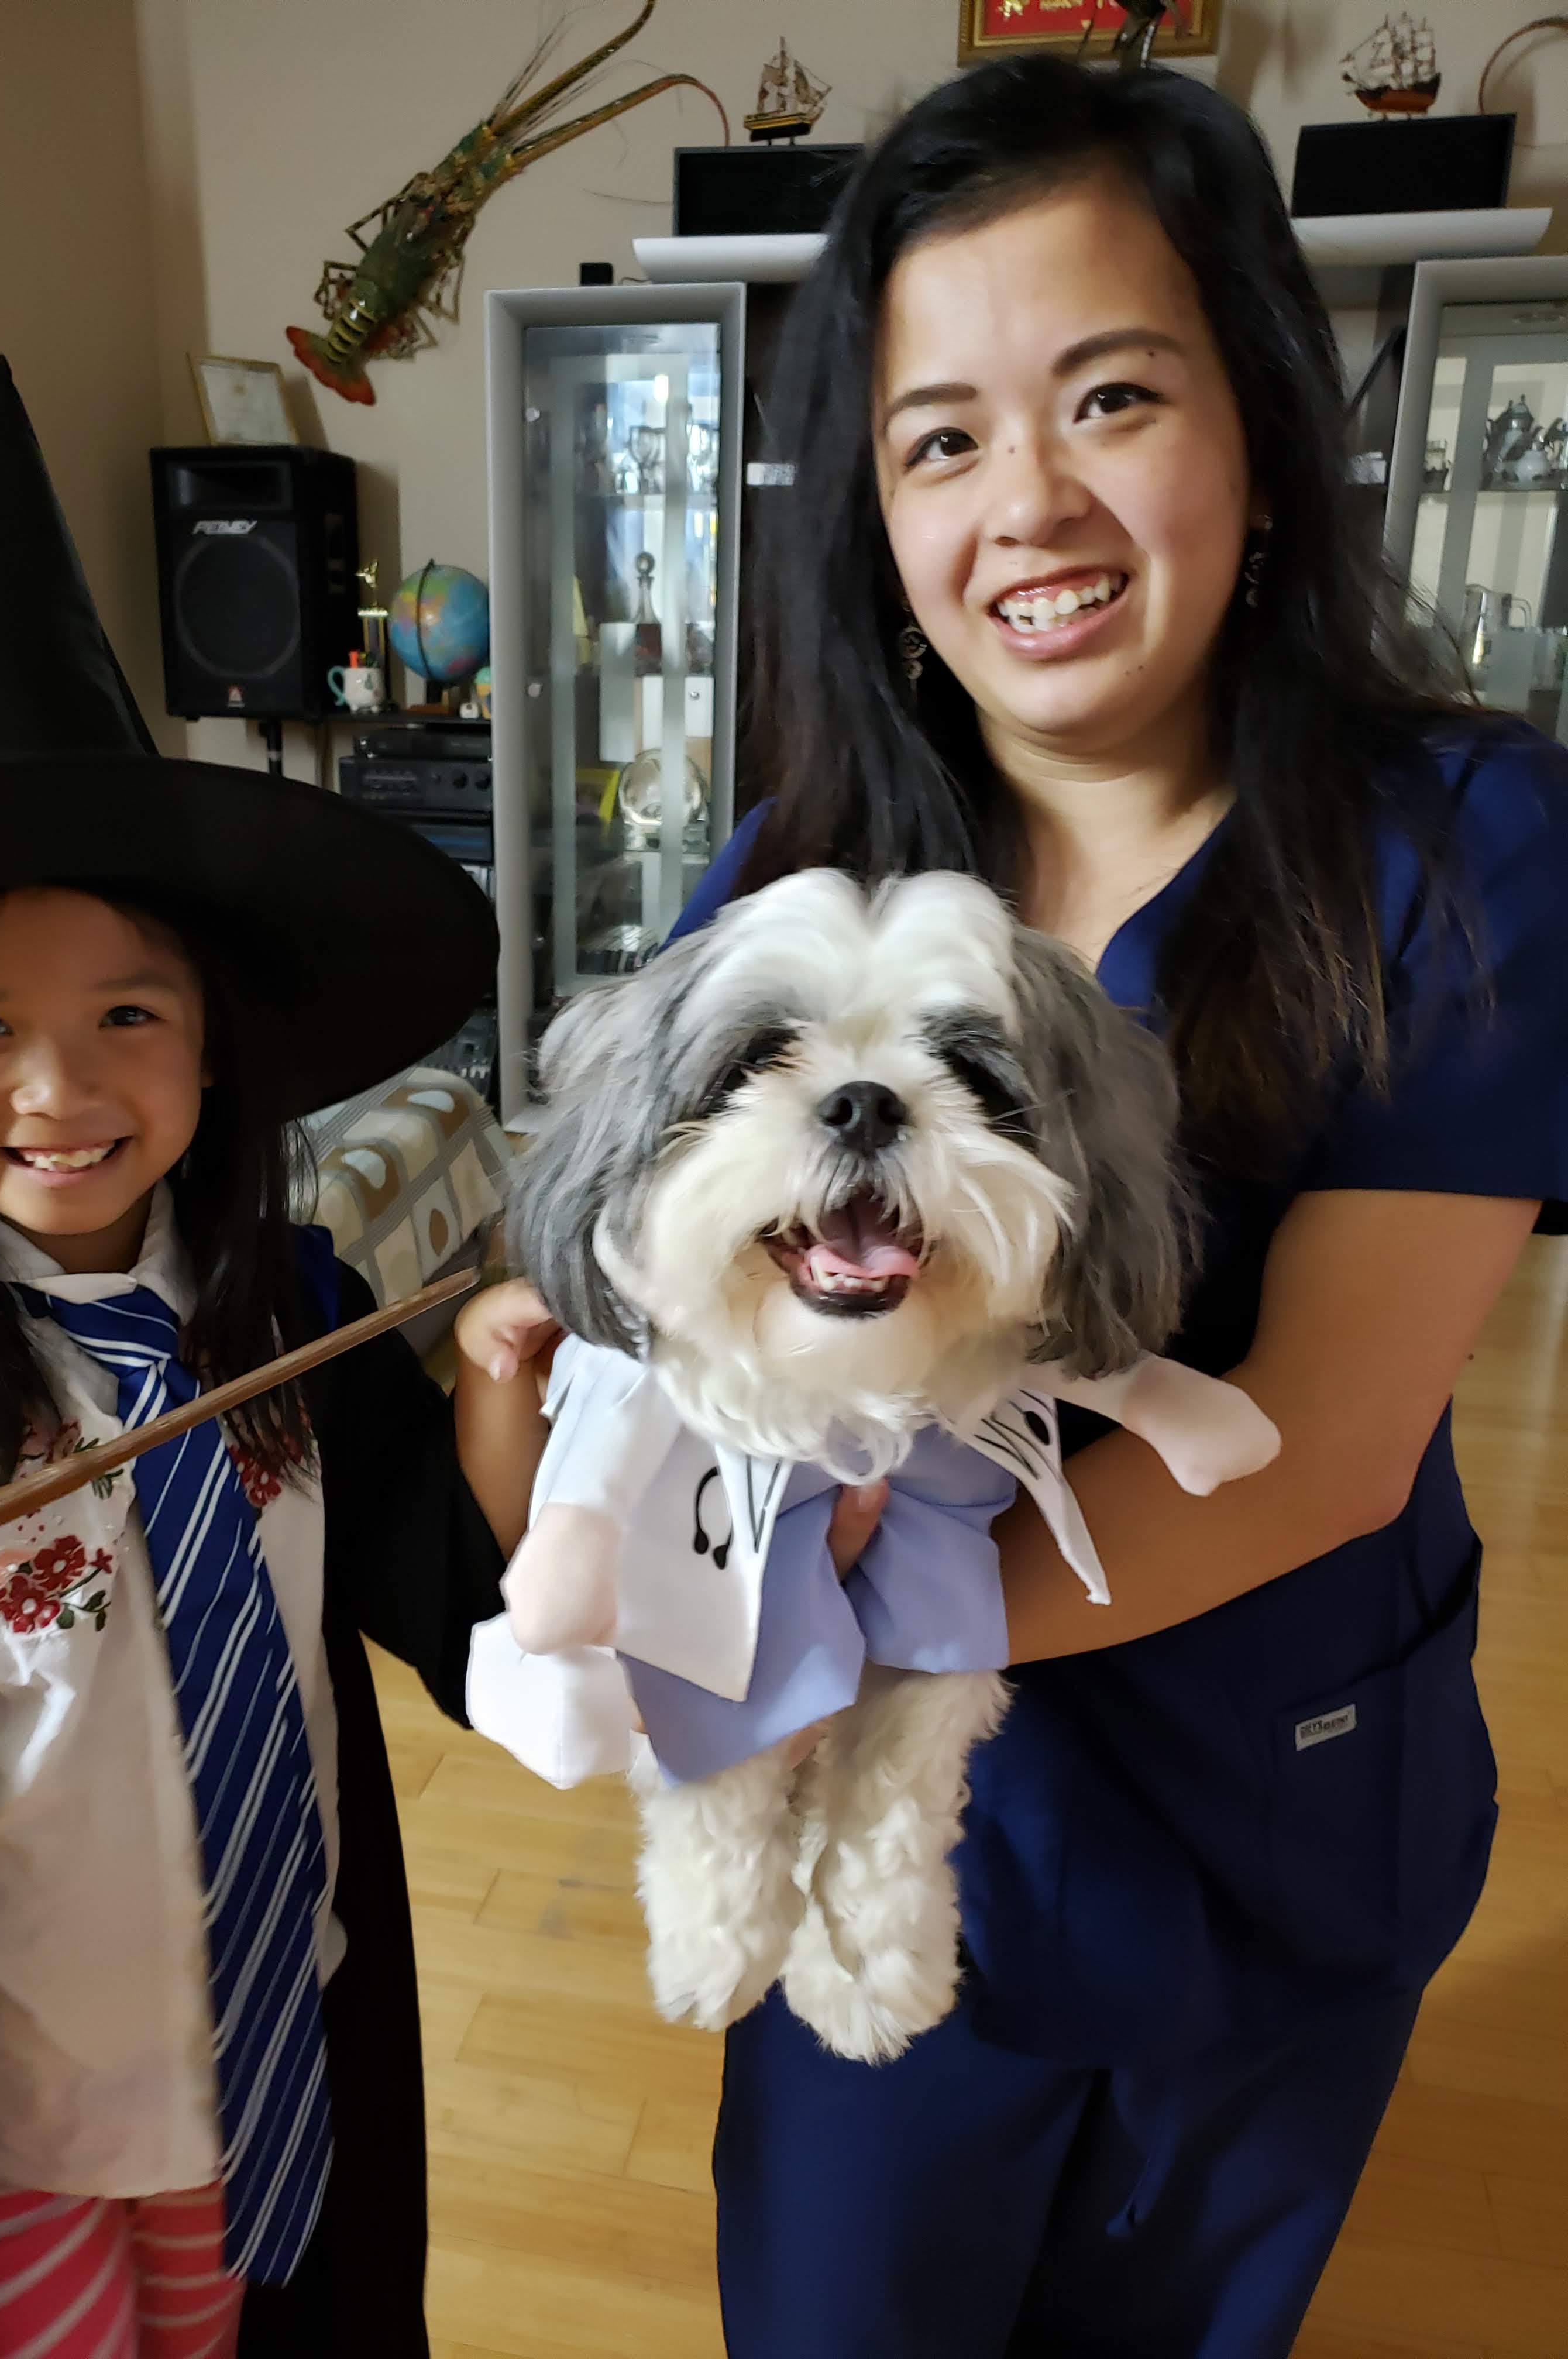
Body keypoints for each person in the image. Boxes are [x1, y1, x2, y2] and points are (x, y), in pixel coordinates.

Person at [663, 55, 1568, 2359]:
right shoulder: (787, 888)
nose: (1027, 504)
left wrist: (819, 1630)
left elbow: (1327, 1444)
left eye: (1108, 398)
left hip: (1272, 1825)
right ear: (873, 514)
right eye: (940, 439)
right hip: (897, 1873)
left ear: (1258, 424)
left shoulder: (1463, 852)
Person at [0, 360, 544, 2359]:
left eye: (129, 1014)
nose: (61, 1088)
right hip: (12, 2121)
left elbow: (449, 1599)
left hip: (262, 2063)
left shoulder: (285, 1306)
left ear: (219, 1050)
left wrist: (496, 1379)